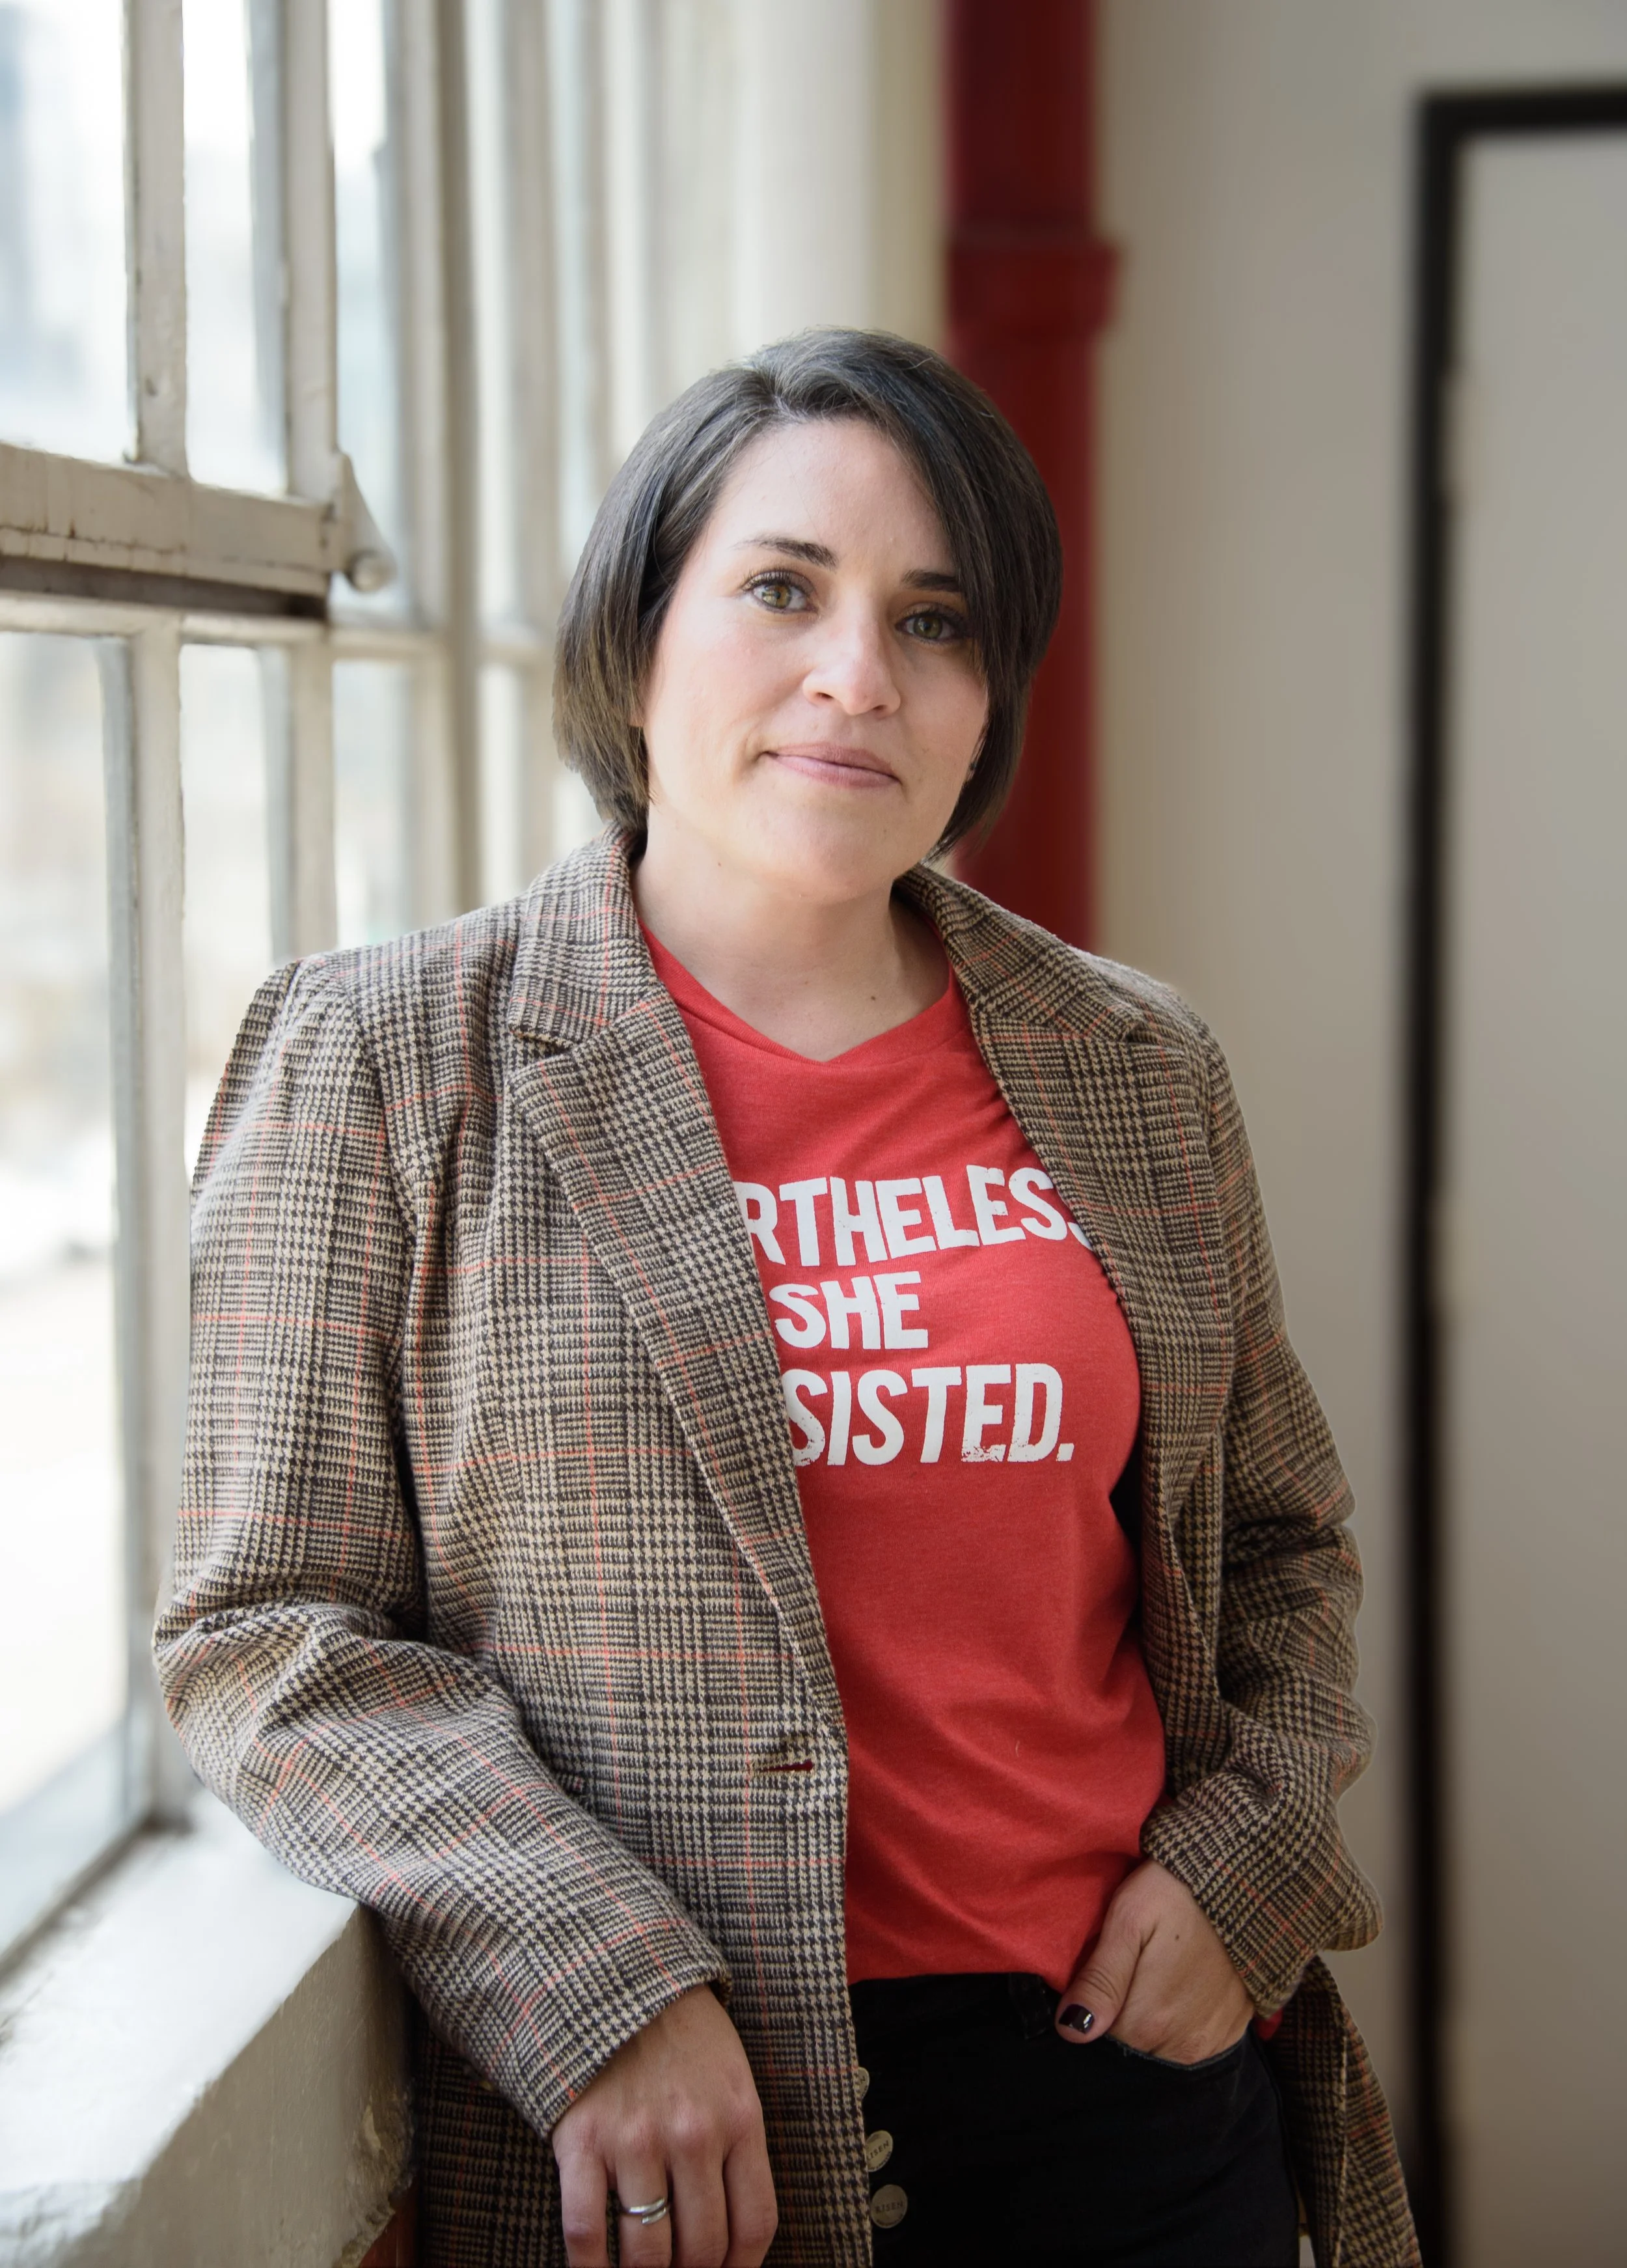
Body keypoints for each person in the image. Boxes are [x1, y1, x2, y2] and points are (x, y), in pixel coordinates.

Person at [155, 329, 1416, 2268]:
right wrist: (593, 1981)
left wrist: (1244, 1871)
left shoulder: (1134, 1062)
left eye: (934, 620)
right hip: (680, 2148)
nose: (858, 675)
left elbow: (1280, 1544)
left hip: (1135, 2098)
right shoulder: (388, 1062)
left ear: (988, 698)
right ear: (635, 636)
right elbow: (266, 1630)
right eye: (780, 590)